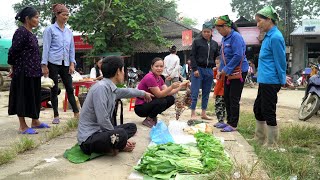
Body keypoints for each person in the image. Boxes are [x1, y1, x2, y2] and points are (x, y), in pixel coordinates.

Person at [78, 56, 153, 155]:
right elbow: (103, 120)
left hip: (101, 133)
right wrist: (122, 141)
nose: (124, 73)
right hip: (89, 139)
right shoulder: (100, 88)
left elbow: (127, 92)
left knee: (131, 127)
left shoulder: (109, 88)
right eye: (123, 70)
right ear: (118, 71)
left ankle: (114, 144)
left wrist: (143, 93)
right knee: (121, 134)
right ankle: (116, 145)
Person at [8, 6, 50, 134]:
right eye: (36, 17)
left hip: (33, 71)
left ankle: (35, 121)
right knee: (22, 97)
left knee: (33, 97)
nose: (38, 20)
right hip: (23, 71)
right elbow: (13, 51)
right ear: (27, 19)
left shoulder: (31, 33)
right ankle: (22, 126)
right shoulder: (20, 32)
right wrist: (12, 67)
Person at [253, 6, 286, 147]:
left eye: (259, 21)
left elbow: (280, 60)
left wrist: (281, 80)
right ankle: (259, 138)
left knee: (268, 110)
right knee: (258, 109)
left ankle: (272, 143)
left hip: (271, 80)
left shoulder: (276, 37)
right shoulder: (267, 36)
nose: (257, 24)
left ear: (269, 20)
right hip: (264, 79)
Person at [41, 4, 79, 124]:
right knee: (54, 89)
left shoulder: (69, 32)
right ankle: (56, 115)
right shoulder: (50, 30)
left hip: (66, 63)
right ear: (57, 15)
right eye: (63, 15)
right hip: (53, 62)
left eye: (67, 15)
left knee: (69, 88)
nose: (66, 17)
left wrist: (72, 63)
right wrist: (44, 65)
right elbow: (46, 48)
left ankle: (76, 113)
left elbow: (72, 49)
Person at [215, 15, 249, 132]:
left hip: (238, 72)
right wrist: (220, 70)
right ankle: (228, 122)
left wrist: (226, 70)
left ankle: (233, 124)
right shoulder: (225, 38)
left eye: (219, 29)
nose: (219, 32)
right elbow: (224, 56)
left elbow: (238, 55)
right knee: (227, 97)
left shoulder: (236, 37)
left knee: (234, 98)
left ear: (226, 26)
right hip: (228, 72)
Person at [134, 57, 187, 128]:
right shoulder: (150, 77)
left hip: (149, 103)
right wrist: (171, 87)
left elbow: (168, 92)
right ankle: (149, 119)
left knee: (170, 98)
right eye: (156, 66)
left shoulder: (159, 78)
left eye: (161, 66)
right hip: (140, 107)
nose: (159, 68)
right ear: (152, 67)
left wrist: (180, 86)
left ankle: (152, 116)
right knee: (162, 101)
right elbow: (159, 95)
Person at [190, 22, 219, 120]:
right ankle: (193, 113)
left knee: (206, 93)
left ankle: (203, 113)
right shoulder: (197, 42)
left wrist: (215, 66)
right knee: (195, 92)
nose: (206, 33)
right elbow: (192, 56)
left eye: (208, 32)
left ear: (211, 32)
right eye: (204, 31)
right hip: (198, 69)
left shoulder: (215, 44)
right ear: (202, 32)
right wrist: (194, 69)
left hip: (209, 71)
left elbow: (216, 56)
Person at [213, 57, 226, 126]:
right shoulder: (219, 71)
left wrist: (215, 93)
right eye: (216, 64)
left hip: (220, 93)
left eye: (218, 64)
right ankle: (221, 121)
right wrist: (215, 70)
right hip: (222, 92)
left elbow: (219, 84)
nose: (216, 65)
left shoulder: (221, 73)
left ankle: (221, 121)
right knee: (222, 107)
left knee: (219, 107)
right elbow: (214, 77)